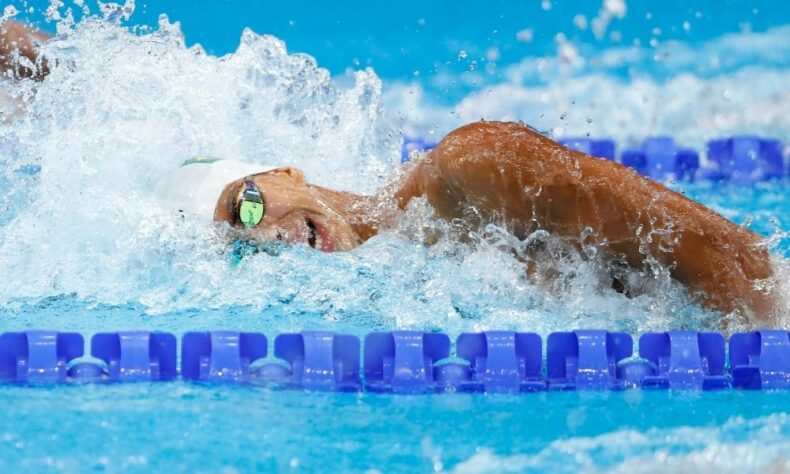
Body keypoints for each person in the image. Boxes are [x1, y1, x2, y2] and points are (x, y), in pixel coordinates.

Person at [1, 21, 780, 321]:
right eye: (238, 243)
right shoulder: (392, 284)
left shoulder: (470, 174)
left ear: (283, 169)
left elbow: (737, 264)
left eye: (246, 206)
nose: (266, 236)